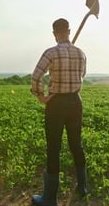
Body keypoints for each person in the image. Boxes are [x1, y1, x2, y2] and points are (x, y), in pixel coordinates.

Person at [30, 18, 88, 206]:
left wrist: (40, 95)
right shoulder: (81, 53)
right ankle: (82, 188)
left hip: (56, 104)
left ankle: (49, 199)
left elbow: (36, 75)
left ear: (55, 33)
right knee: (76, 145)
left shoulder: (51, 52)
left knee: (53, 147)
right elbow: (82, 75)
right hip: (75, 102)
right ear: (69, 31)